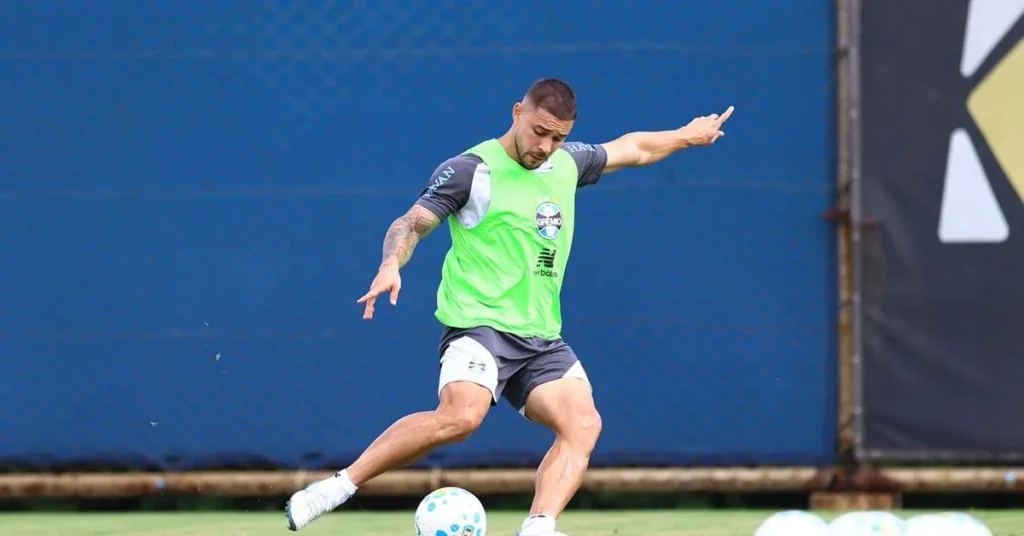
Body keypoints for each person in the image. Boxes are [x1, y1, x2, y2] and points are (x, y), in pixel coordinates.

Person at [286, 78, 733, 534]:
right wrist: (390, 265)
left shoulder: (566, 163)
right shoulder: (470, 170)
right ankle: (336, 487)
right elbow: (412, 224)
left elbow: (633, 148)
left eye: (559, 136)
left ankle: (538, 526)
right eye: (541, 131)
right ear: (517, 111)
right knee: (462, 418)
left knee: (583, 424)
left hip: (540, 337)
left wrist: (686, 135)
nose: (547, 146)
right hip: (477, 326)